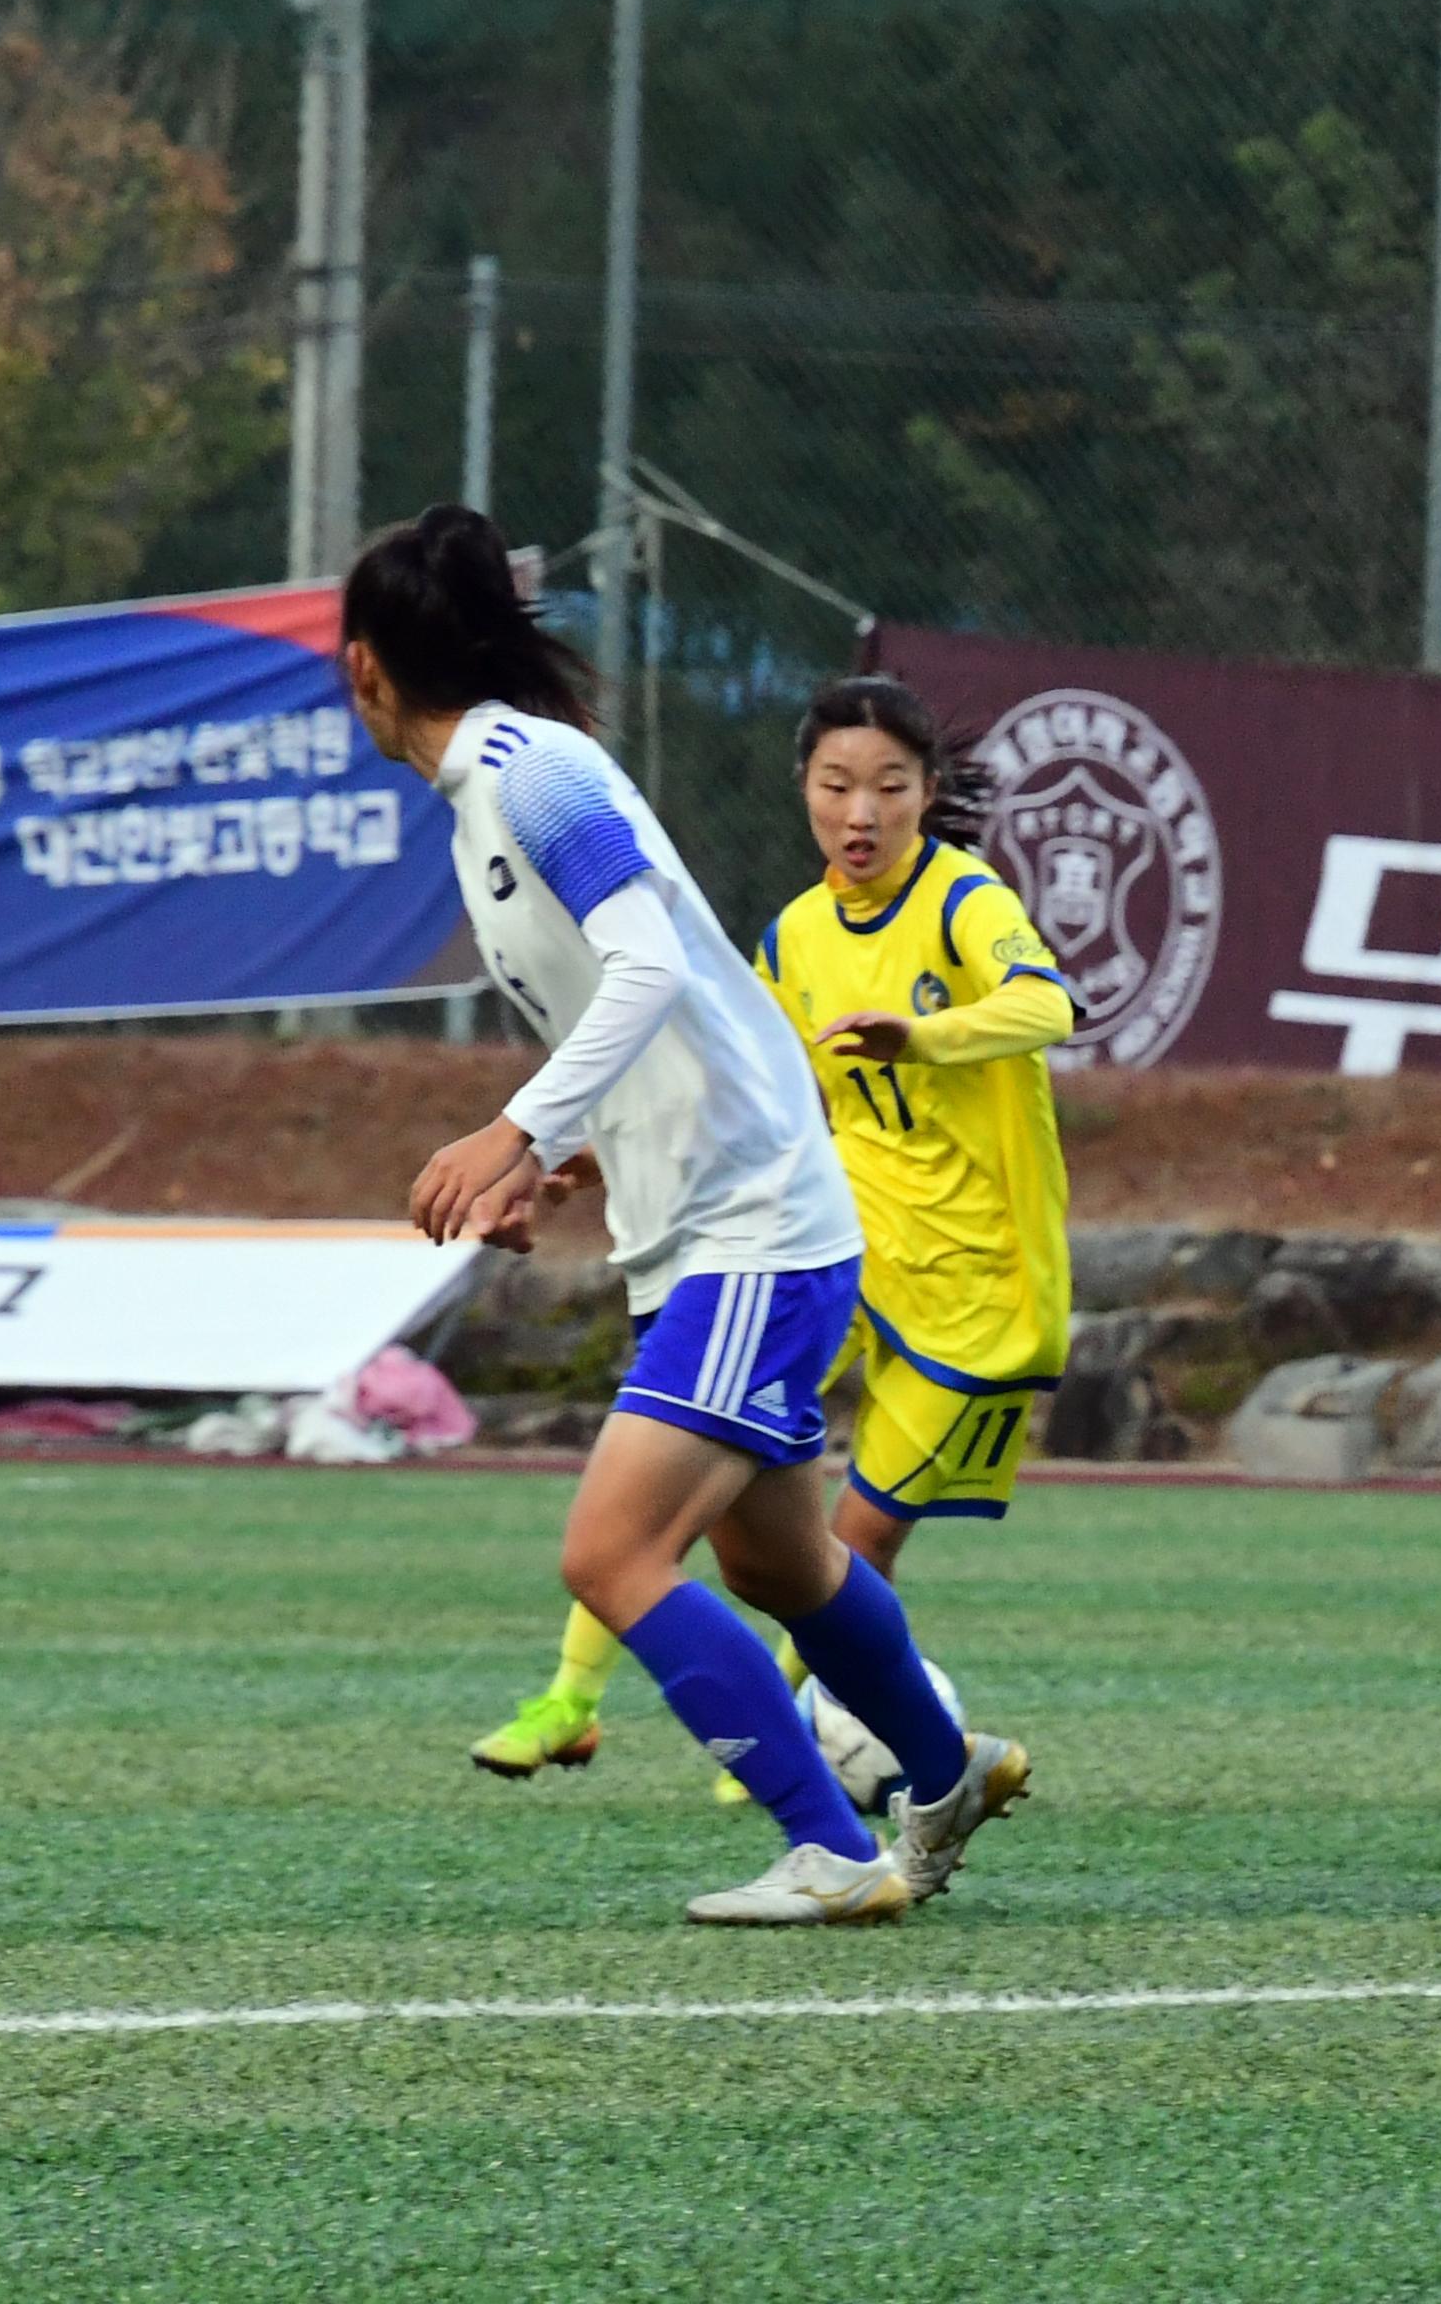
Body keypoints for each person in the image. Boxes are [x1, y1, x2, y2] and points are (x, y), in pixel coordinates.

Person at [344, 504, 1026, 1927]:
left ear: (363, 670)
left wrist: (517, 1124)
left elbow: (647, 962)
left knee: (609, 1555)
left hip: (752, 1235)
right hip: (723, 1224)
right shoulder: (501, 792)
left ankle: (834, 1851)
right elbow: (653, 1013)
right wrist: (568, 1150)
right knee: (775, 1559)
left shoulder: (531, 777)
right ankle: (944, 1769)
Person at [474, 676, 1074, 1787]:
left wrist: (925, 1035)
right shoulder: (794, 935)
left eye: (890, 787)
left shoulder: (962, 899)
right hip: (836, 1247)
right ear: (802, 788)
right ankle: (571, 1696)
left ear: (926, 793)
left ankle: (805, 1743)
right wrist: (588, 1156)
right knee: (692, 1463)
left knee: (848, 1538)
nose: (861, 812)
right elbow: (739, 1082)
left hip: (982, 1292)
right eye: (837, 784)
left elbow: (1051, 1005)